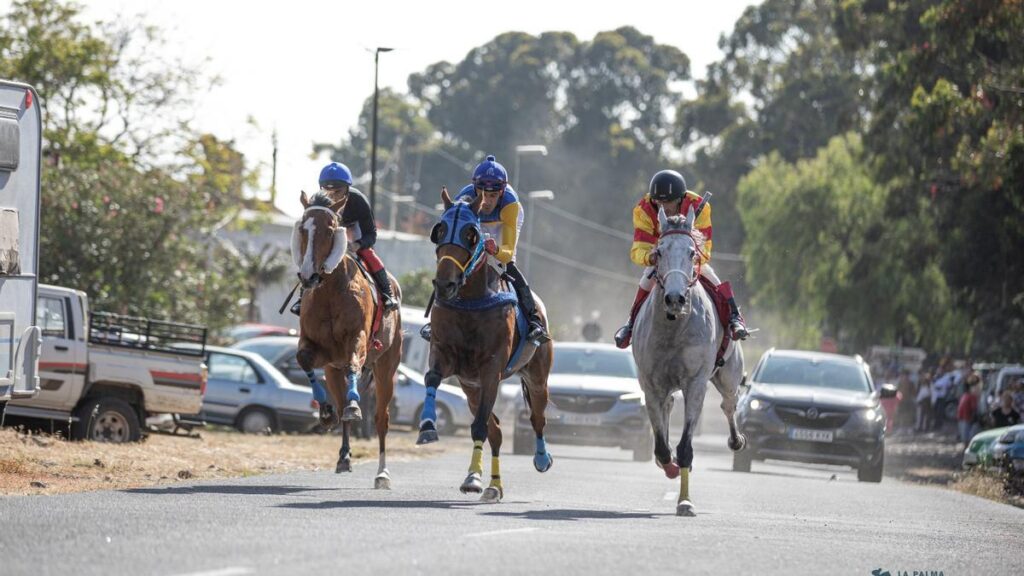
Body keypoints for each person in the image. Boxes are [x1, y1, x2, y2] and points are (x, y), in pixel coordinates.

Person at [614, 169, 749, 348]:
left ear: (680, 198)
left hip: (688, 257)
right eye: (659, 201)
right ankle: (630, 324)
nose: (663, 207)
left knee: (711, 275)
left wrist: (687, 257)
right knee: (646, 279)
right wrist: (651, 257)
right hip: (661, 256)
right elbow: (639, 247)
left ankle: (734, 316)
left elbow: (704, 248)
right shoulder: (643, 209)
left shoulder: (699, 205)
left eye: (668, 201)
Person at [425, 155, 549, 344]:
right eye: (482, 193)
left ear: (502, 192)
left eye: (493, 195)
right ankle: (434, 321)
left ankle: (533, 319)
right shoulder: (463, 199)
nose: (487, 201)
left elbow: (507, 254)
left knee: (503, 265)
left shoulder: (510, 204)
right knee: (457, 267)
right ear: (474, 188)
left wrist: (496, 249)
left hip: (502, 224)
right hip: (475, 220)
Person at [291, 161, 398, 315]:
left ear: (347, 189)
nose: (333, 196)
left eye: (338, 191)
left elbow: (371, 234)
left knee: (368, 253)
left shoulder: (358, 200)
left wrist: (358, 244)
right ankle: (303, 297)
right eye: (328, 191)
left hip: (352, 229)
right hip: (328, 232)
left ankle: (387, 293)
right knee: (313, 254)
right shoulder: (318, 201)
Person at [956, 375, 981, 448]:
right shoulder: (967, 395)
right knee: (965, 437)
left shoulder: (971, 396)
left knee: (966, 437)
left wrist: (973, 418)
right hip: (963, 418)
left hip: (966, 418)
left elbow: (974, 409)